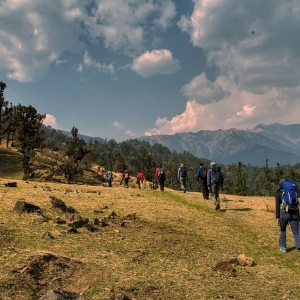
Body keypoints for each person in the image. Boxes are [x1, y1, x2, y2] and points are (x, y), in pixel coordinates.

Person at [275, 178, 300, 253]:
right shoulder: (294, 193)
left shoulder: (278, 194)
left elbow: (277, 207)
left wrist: (277, 217)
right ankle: (299, 245)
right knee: (295, 232)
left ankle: (283, 247)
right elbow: (297, 204)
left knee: (283, 230)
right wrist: (298, 217)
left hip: (284, 214)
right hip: (294, 213)